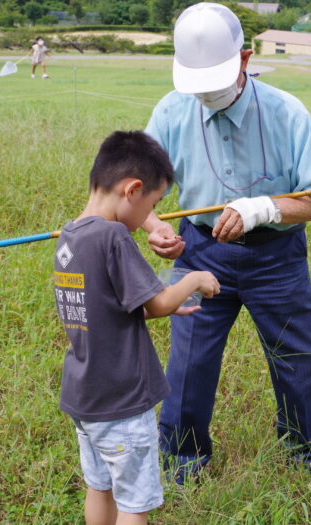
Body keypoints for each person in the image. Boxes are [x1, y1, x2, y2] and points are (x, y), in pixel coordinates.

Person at [143, 2, 311, 482]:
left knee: (297, 356)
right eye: (197, 84)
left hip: (277, 257)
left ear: (245, 60)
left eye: (216, 81)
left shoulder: (288, 113)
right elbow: (137, 192)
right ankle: (183, 460)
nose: (206, 93)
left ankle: (308, 454)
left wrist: (266, 207)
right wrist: (155, 228)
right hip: (199, 251)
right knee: (189, 362)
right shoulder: (170, 111)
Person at [53, 130, 221, 524]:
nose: (151, 214)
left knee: (100, 486)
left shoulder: (69, 237)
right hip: (122, 401)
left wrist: (168, 304)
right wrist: (194, 280)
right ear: (133, 190)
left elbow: (108, 307)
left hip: (85, 398)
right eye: (154, 203)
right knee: (134, 503)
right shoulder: (113, 236)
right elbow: (159, 302)